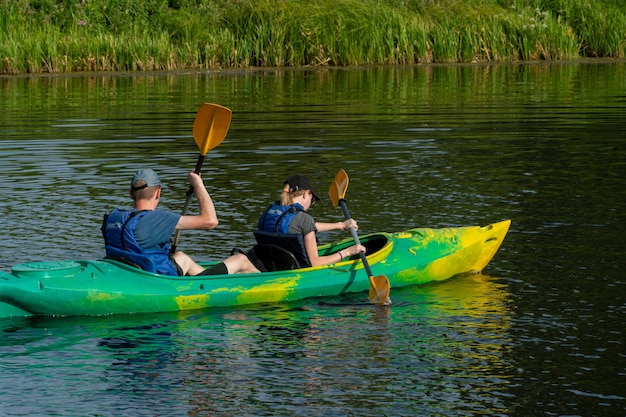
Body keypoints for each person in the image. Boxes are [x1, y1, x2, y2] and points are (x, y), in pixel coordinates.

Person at [101, 168, 259, 276]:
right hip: (154, 277)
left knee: (181, 256)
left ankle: (211, 278)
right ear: (158, 193)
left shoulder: (112, 217)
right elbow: (211, 221)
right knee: (241, 260)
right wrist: (198, 184)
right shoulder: (158, 218)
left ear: (130, 194)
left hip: (130, 270)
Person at [253, 173, 365, 270]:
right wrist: (347, 252)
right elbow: (315, 263)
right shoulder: (304, 219)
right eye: (312, 200)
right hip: (296, 270)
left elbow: (306, 226)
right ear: (306, 194)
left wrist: (341, 225)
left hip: (270, 265)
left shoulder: (270, 212)